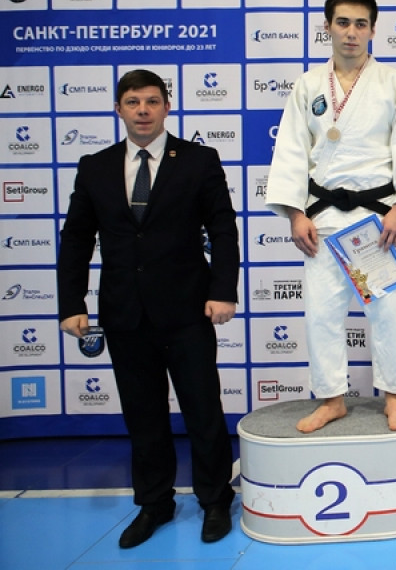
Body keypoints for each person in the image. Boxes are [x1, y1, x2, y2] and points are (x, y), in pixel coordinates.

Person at [58, 69, 239, 548]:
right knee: (142, 414)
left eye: (152, 101)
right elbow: (76, 239)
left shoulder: (198, 160)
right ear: (118, 109)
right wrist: (71, 303)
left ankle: (215, 499)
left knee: (203, 409)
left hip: (187, 309)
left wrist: (223, 290)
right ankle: (155, 502)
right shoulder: (94, 166)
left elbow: (223, 229)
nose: (143, 110)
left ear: (166, 107)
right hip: (124, 312)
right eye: (133, 102)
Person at [266, 0, 396, 433]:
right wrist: (296, 213)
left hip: (377, 218)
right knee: (322, 313)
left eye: (361, 24)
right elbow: (292, 152)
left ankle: (394, 397)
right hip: (321, 216)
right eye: (343, 23)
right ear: (327, 27)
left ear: (373, 30)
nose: (351, 32)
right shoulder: (307, 85)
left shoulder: (394, 83)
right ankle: (331, 399)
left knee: (388, 312)